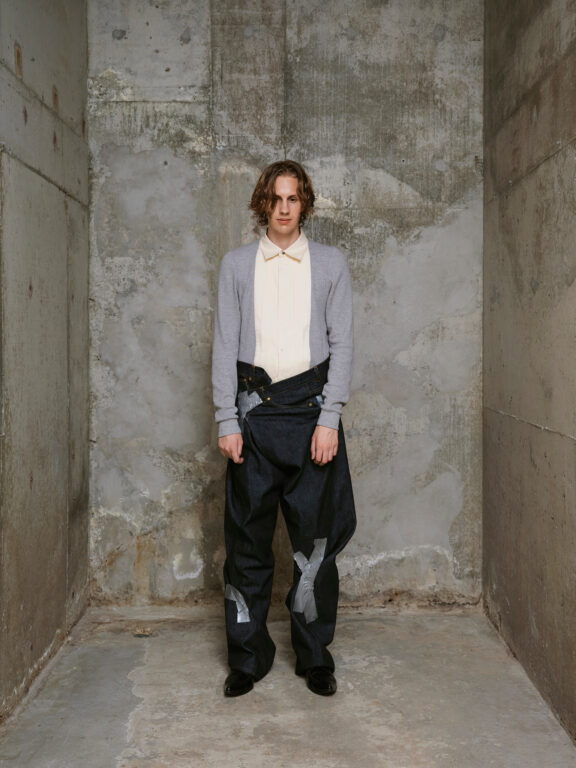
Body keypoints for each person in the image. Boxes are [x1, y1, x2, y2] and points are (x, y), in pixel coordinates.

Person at [212, 159, 356, 698]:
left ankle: (315, 657)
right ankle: (247, 659)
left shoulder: (331, 263)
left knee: (315, 547)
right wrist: (226, 419)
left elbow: (342, 344)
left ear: (305, 203)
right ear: (263, 204)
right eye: (275, 198)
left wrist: (330, 419)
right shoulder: (236, 265)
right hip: (252, 414)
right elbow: (225, 345)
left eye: (293, 198)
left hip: (312, 413)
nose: (284, 208)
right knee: (246, 546)